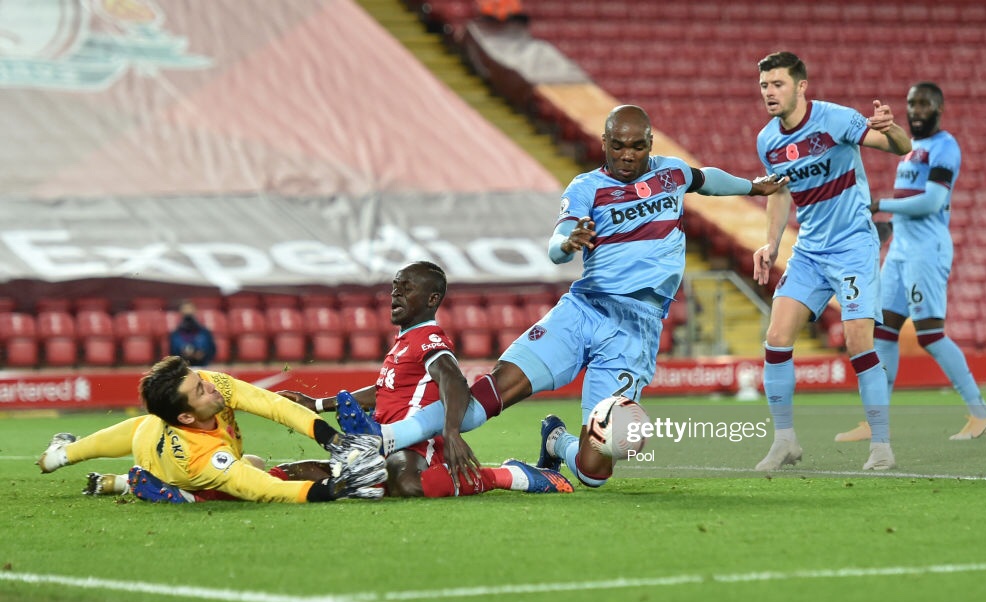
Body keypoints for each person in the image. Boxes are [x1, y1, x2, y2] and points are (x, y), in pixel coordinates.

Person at [327, 105, 787, 489]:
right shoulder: (586, 188)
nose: (628, 155)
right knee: (475, 406)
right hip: (583, 311)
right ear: (604, 143)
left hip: (635, 330)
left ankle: (557, 443)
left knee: (594, 471)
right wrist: (567, 244)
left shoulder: (671, 174)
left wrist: (753, 186)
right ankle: (383, 438)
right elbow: (556, 243)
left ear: (650, 144)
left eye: (638, 145)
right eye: (618, 145)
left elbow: (706, 178)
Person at [279, 260, 573, 498]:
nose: (396, 294)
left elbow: (453, 379)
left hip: (418, 445)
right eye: (395, 287)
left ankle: (507, 475)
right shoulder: (403, 342)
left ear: (432, 299)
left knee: (407, 484)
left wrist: (452, 431)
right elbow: (383, 392)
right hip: (384, 437)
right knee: (329, 474)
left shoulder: (429, 337)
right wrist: (315, 404)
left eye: (406, 289)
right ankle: (257, 480)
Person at [750, 52, 912, 472]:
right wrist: (770, 243)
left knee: (858, 341)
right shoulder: (768, 141)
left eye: (778, 84)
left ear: (801, 86)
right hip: (808, 252)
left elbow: (899, 148)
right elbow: (780, 193)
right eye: (765, 85)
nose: (769, 92)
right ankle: (785, 440)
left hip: (854, 246)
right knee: (776, 337)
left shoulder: (835, 119)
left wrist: (891, 127)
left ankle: (881, 446)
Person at [834, 82, 986, 443]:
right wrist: (886, 229)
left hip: (927, 250)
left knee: (930, 334)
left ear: (938, 109)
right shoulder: (910, 150)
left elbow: (933, 202)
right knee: (884, 330)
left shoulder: (945, 147)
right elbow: (909, 201)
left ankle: (981, 413)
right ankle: (876, 421)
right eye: (912, 103)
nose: (916, 110)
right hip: (901, 250)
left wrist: (881, 205)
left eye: (924, 104)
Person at [36, 355, 385, 503]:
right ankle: (143, 485)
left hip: (150, 432)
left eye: (199, 378)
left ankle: (62, 455)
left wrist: (331, 438)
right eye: (199, 390)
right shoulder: (201, 459)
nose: (210, 385)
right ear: (186, 417)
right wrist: (330, 490)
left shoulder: (208, 384)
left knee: (253, 461)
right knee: (247, 475)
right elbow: (261, 489)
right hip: (172, 468)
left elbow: (272, 405)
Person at [169, 301, 217, 366]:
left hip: (203, 365)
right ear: (180, 312)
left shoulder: (204, 332)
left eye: (190, 309)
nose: (188, 312)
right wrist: (183, 355)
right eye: (185, 309)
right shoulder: (175, 334)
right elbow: (173, 352)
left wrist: (202, 354)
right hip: (182, 367)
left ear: (195, 311)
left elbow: (212, 350)